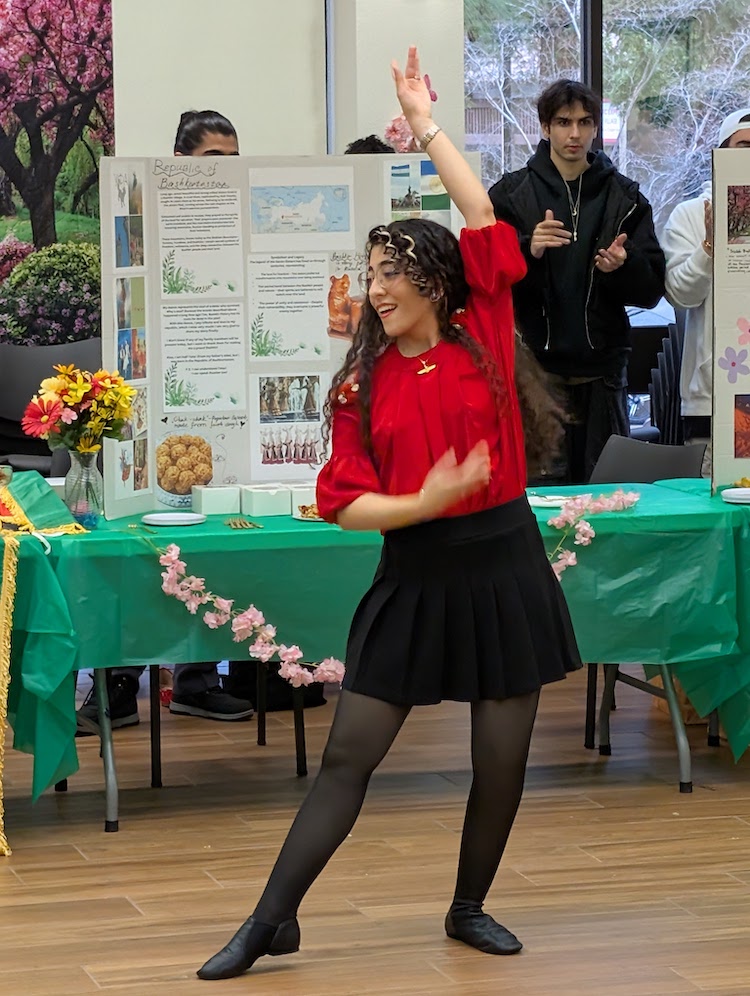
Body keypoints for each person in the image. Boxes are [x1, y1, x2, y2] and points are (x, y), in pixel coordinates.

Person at [196, 46, 581, 982]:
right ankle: (269, 921)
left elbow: (482, 211)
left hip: (505, 565)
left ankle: (468, 907)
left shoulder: (483, 323)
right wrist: (425, 501)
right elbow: (346, 501)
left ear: (438, 285)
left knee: (500, 760)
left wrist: (426, 117)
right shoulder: (361, 382)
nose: (377, 283)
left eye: (393, 268)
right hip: (416, 574)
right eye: (371, 268)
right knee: (348, 761)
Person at [76, 110, 252, 735]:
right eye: (213, 161)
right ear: (180, 163)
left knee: (213, 538)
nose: (227, 173)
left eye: (235, 160)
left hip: (224, 399)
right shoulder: (142, 218)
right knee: (140, 542)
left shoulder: (242, 221)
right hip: (156, 396)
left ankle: (200, 680)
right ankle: (117, 683)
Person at [489, 80, 665, 484]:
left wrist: (624, 266)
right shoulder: (510, 196)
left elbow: (653, 289)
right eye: (563, 122)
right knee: (539, 498)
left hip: (603, 375)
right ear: (545, 127)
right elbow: (484, 277)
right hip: (534, 374)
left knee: (610, 498)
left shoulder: (627, 198)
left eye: (585, 123)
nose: (575, 133)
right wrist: (526, 249)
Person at [662, 108, 750, 476]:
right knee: (719, 506)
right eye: (743, 146)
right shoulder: (691, 214)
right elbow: (682, 295)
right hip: (714, 396)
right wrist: (709, 246)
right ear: (722, 152)